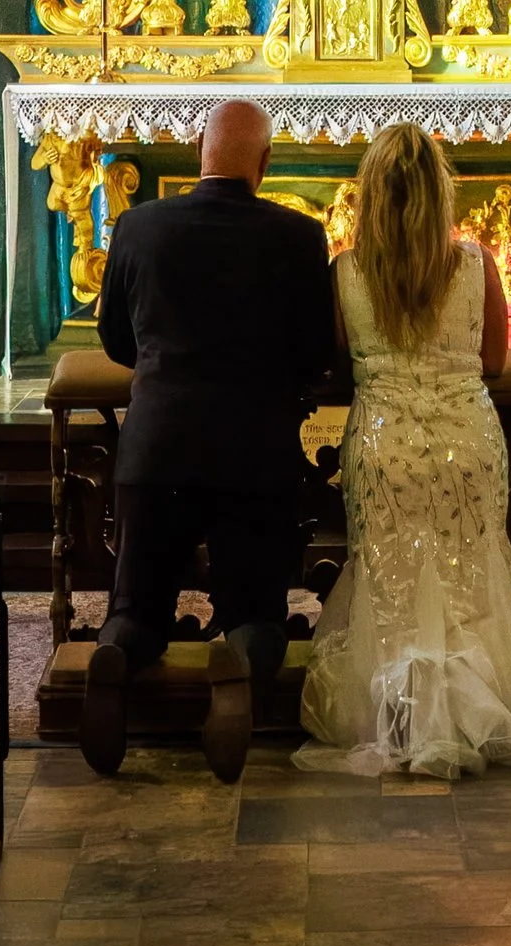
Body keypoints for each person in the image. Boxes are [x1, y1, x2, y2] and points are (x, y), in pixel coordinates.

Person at [298, 122, 511, 778]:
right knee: (470, 585)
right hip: (464, 448)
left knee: (392, 586)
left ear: (370, 197)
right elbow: (494, 359)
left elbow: (336, 357)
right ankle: (479, 714)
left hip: (384, 448)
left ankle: (401, 716)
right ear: (439, 194)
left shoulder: (346, 272)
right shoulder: (475, 264)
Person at [86, 98, 337, 780]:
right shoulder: (297, 234)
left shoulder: (138, 227)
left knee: (137, 605)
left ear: (200, 150)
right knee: (256, 607)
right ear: (264, 162)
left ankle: (114, 654)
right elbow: (317, 350)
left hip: (155, 441)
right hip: (253, 451)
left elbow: (115, 341)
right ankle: (239, 662)